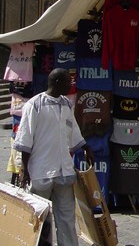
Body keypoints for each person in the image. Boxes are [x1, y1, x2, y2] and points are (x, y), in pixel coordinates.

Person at [14, 68, 95, 246]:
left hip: (64, 172)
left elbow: (73, 130)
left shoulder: (66, 104)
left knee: (66, 218)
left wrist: (85, 148)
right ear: (57, 83)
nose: (70, 85)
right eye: (67, 82)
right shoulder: (35, 105)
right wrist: (25, 171)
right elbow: (25, 139)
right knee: (40, 219)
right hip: (40, 172)